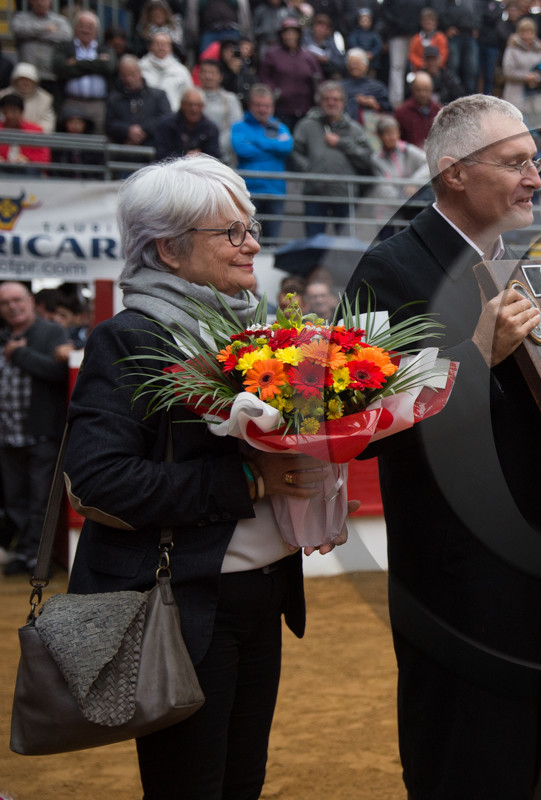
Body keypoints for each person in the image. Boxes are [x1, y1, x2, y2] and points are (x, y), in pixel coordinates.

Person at [63, 155, 342, 796]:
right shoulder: (129, 338)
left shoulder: (258, 331)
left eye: (251, 227)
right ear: (168, 248)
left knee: (242, 781)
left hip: (263, 594)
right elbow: (101, 480)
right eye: (232, 233)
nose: (253, 245)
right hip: (184, 606)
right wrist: (251, 484)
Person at [341, 94, 541, 799]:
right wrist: (475, 349)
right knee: (469, 758)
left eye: (534, 161)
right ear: (453, 173)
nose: (533, 176)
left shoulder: (535, 270)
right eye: (515, 163)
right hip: (460, 574)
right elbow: (359, 421)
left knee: (540, 759)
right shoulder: (389, 270)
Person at [0, 282, 67, 576]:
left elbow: (58, 373)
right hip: (7, 435)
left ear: (30, 300)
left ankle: (39, 559)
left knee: (42, 500)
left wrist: (19, 354)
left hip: (42, 433)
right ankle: (26, 553)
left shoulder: (51, 332)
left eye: (17, 300)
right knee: (16, 500)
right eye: (5, 303)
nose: (12, 307)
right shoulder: (3, 335)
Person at [289, 80, 374, 237]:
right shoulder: (307, 126)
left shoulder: (354, 128)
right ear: (320, 102)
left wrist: (341, 143)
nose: (331, 103)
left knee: (345, 243)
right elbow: (294, 152)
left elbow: (366, 158)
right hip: (315, 193)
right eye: (327, 99)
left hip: (344, 194)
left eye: (335, 99)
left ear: (343, 103)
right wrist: (309, 169)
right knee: (313, 243)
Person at [231, 84, 294, 241]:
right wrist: (273, 148)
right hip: (249, 193)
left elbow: (287, 147)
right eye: (258, 105)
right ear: (250, 106)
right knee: (247, 240)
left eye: (266, 106)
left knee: (272, 242)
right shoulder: (239, 127)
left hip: (275, 191)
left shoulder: (280, 127)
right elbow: (242, 150)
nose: (262, 109)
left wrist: (256, 142)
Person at [53, 11, 116, 130]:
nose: (85, 30)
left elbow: (108, 67)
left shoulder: (105, 48)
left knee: (97, 141)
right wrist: (96, 63)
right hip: (72, 101)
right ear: (74, 27)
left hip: (98, 104)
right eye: (81, 26)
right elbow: (60, 68)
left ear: (97, 31)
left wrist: (76, 63)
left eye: (89, 27)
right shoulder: (64, 47)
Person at [258, 18, 323, 131]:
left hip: (305, 109)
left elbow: (318, 78)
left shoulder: (308, 56)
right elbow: (264, 77)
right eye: (286, 33)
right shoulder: (272, 55)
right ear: (281, 35)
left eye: (293, 33)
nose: (290, 36)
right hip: (282, 109)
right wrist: (275, 92)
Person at [105, 55, 172, 150]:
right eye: (124, 75)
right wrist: (128, 130)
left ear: (140, 73)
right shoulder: (114, 98)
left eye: (132, 74)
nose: (129, 79)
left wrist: (142, 129)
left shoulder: (159, 96)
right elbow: (109, 124)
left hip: (154, 149)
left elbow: (166, 119)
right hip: (123, 149)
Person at [154, 88, 222, 161]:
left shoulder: (210, 128)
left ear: (203, 107)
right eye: (190, 105)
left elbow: (214, 156)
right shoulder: (166, 125)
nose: (194, 109)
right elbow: (162, 154)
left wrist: (200, 157)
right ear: (182, 105)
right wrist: (185, 157)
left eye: (198, 105)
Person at [196, 59, 244, 164]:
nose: (208, 76)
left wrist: (215, 147)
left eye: (212, 73)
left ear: (220, 76)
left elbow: (235, 126)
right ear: (199, 75)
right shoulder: (192, 96)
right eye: (204, 72)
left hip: (222, 155)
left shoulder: (230, 99)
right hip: (195, 153)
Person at [139, 31, 192, 110]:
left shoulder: (181, 71)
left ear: (170, 48)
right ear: (150, 47)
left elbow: (189, 95)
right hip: (146, 115)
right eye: (157, 44)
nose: (161, 47)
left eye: (165, 44)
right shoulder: (140, 68)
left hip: (173, 116)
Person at [393, 71, 441, 149]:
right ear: (412, 90)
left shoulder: (438, 111)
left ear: (431, 90)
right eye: (418, 90)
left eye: (426, 90)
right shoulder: (401, 113)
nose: (422, 94)